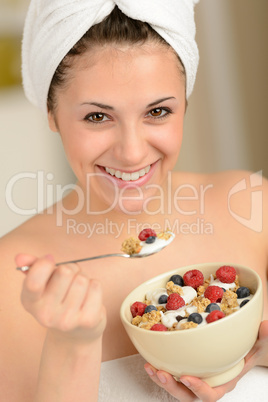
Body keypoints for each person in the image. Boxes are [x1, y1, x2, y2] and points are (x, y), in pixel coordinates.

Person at [1, 1, 267, 401]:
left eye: (157, 111)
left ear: (185, 104)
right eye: (97, 117)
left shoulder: (252, 205)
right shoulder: (10, 279)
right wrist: (71, 346)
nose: (130, 152)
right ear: (52, 114)